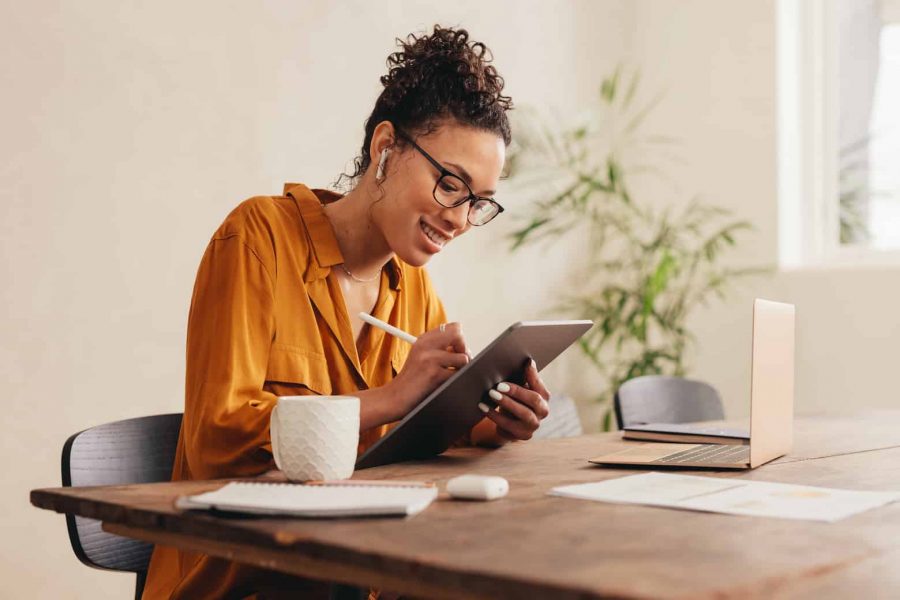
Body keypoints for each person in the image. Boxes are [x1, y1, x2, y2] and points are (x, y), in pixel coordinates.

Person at [141, 24, 552, 599]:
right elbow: (216, 436)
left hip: (360, 577)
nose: (460, 218)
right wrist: (392, 396)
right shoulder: (258, 238)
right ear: (386, 148)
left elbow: (402, 447)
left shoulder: (413, 288)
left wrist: (488, 424)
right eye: (450, 185)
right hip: (243, 582)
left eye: (478, 202)